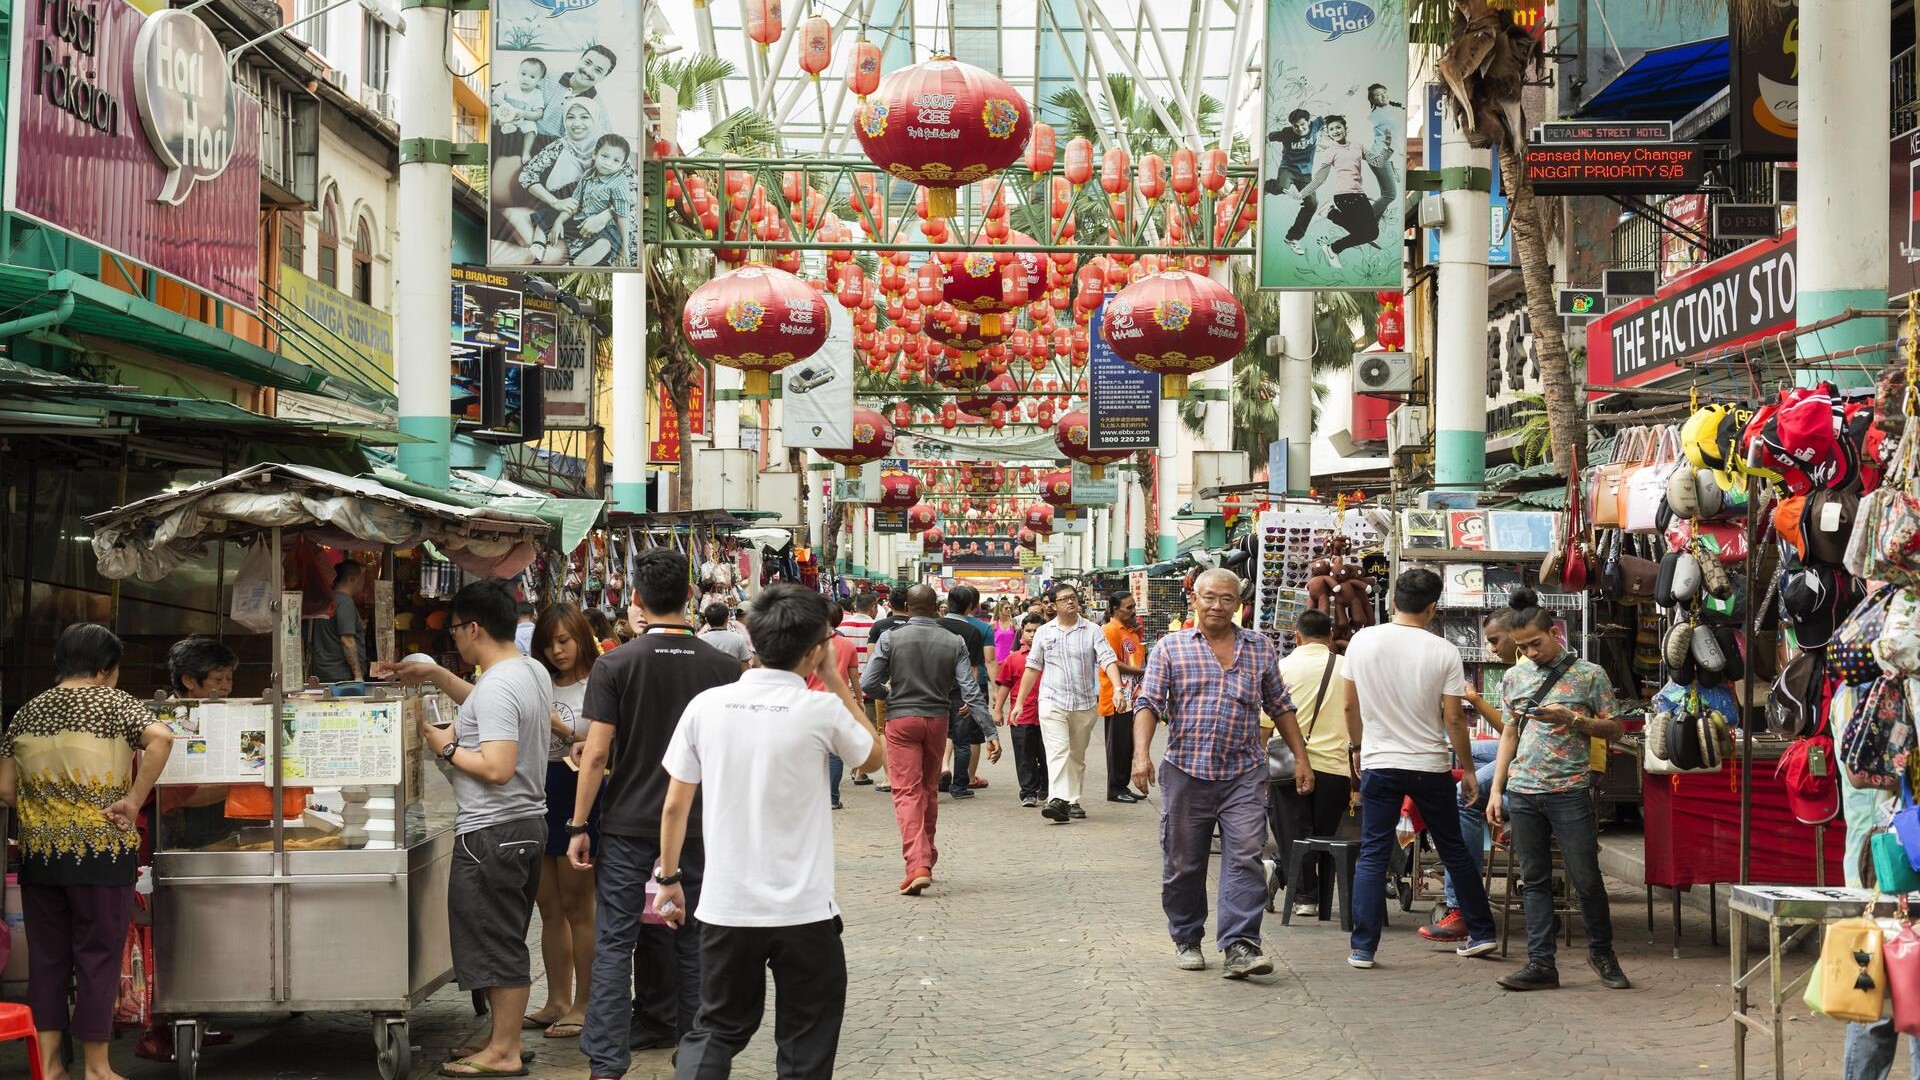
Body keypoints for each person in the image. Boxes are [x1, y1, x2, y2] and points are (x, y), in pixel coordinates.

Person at [656, 585, 886, 1078]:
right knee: (807, 1038)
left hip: (726, 905)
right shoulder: (820, 711)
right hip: (804, 910)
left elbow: (676, 803)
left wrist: (669, 878)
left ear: (754, 640)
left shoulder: (707, 706)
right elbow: (873, 756)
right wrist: (837, 681)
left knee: (716, 1027)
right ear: (815, 648)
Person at [566, 548, 743, 1076]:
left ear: (637, 600)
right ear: (691, 597)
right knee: (694, 941)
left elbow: (595, 753)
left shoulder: (615, 663)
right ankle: (695, 1057)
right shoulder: (724, 667)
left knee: (615, 940)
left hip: (626, 825)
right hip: (698, 825)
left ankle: (605, 1062)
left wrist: (578, 824)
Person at [382, 581, 552, 1077]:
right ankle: (505, 1041)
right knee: (506, 937)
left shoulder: (500, 684)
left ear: (474, 627)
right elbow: (481, 702)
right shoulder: (528, 671)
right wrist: (436, 674)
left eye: (456, 629)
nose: (454, 637)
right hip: (523, 826)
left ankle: (503, 1053)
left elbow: (497, 766)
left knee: (496, 941)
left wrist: (446, 748)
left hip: (492, 831)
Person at [0, 624, 175, 1080]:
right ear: (105, 669)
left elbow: (3, 787)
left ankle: (50, 1064)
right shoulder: (114, 702)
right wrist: (133, 800)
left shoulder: (25, 713)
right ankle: (97, 1068)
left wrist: (48, 810)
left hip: (41, 855)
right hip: (100, 853)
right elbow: (163, 739)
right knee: (97, 956)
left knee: (49, 959)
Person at [1131, 569, 1307, 979]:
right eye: (1209, 597)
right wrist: (1141, 755)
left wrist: (1301, 757)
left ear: (1239, 604)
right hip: (1186, 772)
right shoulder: (1171, 648)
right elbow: (1149, 703)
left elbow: (1280, 705)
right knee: (1184, 863)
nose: (1217, 605)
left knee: (1246, 855)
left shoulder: (1259, 648)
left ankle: (1240, 945)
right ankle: (1187, 936)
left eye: (1227, 599)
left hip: (1244, 772)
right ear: (1194, 599)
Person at [1341, 568, 1499, 969]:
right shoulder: (1442, 650)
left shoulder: (1362, 641)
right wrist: (1465, 768)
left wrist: (1358, 747)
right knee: (1454, 851)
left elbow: (1349, 705)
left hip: (1379, 761)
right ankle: (1481, 932)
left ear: (1393, 600)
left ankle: (1363, 948)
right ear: (1432, 608)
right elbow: (1454, 720)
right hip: (1430, 765)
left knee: (1374, 854)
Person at [1485, 590, 1630, 991]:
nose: (1531, 652)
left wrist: (1575, 721)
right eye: (1522, 647)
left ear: (1555, 633)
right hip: (1525, 790)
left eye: (1536, 643)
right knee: (1533, 879)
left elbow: (1615, 728)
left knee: (1586, 878)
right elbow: (1510, 734)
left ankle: (1603, 953)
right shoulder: (1514, 677)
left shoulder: (1588, 674)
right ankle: (1540, 962)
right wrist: (1498, 789)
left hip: (1570, 790)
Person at [860, 585, 993, 896]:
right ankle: (928, 854)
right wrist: (989, 730)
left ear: (906, 605)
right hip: (937, 720)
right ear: (938, 608)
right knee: (928, 789)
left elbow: (868, 682)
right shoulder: (953, 640)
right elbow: (970, 689)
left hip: (901, 720)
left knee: (906, 792)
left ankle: (917, 863)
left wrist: (890, 695)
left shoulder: (889, 637)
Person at [527, 603, 601, 1039]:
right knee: (548, 906)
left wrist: (564, 731)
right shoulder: (538, 684)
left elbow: (608, 740)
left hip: (580, 794)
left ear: (580, 638)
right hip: (540, 791)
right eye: (549, 643)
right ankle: (557, 998)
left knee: (578, 906)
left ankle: (586, 1003)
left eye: (564, 640)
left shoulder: (598, 684)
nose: (557, 651)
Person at [1422, 607, 1517, 943]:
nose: (1491, 648)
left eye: (1494, 640)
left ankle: (1459, 905)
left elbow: (1511, 734)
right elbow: (1509, 733)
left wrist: (1475, 699)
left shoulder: (1522, 673)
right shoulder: (1518, 671)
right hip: (1519, 750)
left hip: (1530, 761)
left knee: (1463, 798)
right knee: (1466, 754)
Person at [1012, 583, 1126, 823]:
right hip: (1052, 700)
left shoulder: (1093, 630)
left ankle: (1071, 801)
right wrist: (1020, 702)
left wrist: (1118, 689)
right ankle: (1058, 799)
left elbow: (1107, 660)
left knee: (1076, 754)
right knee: (1058, 750)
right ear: (1053, 605)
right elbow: (1033, 668)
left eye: (1073, 597)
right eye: (1064, 599)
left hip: (1084, 703)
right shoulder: (1044, 632)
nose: (1071, 602)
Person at [1271, 610, 1352, 918]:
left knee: (1294, 833)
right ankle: (1311, 892)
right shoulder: (1347, 668)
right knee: (1324, 834)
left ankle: (1305, 895)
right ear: (1331, 636)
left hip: (1288, 765)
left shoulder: (1282, 668)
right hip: (1335, 766)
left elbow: (1266, 723)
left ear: (1297, 636)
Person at [1295, 115, 1389, 271]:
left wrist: (1387, 147)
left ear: (1345, 128)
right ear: (1329, 133)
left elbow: (1377, 162)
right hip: (1343, 197)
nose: (1336, 131)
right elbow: (1319, 179)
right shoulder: (1331, 151)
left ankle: (1330, 213)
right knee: (1370, 233)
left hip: (1359, 195)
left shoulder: (1358, 146)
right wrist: (1301, 194)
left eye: (1338, 127)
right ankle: (1333, 248)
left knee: (1368, 233)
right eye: (1331, 129)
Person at [941, 585, 993, 797]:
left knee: (940, 736)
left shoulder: (937, 625)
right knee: (963, 740)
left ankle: (939, 772)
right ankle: (959, 786)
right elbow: (971, 668)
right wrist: (970, 699)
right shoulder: (973, 631)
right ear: (971, 606)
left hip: (937, 690)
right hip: (961, 693)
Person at [811, 602, 862, 810]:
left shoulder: (809, 645)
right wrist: (858, 699)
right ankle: (832, 797)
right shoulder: (847, 645)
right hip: (837, 704)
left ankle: (813, 797)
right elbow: (853, 677)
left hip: (810, 702)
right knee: (834, 754)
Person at [1099, 591, 1148, 804]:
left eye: (1133, 606)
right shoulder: (1109, 630)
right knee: (1118, 744)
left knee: (1128, 743)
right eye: (1128, 607)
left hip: (1133, 696)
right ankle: (1115, 788)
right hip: (1117, 695)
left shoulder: (1130, 631)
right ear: (1115, 609)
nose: (1133, 611)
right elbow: (1110, 661)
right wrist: (1141, 673)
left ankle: (1122, 785)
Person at [995, 616, 1047, 806]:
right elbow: (1004, 686)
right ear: (1022, 632)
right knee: (1024, 757)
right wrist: (998, 709)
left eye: (1037, 631)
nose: (1033, 635)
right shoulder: (1014, 658)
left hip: (1048, 716)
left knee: (1047, 755)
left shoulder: (1051, 657)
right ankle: (1028, 792)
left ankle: (1046, 785)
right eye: (1029, 631)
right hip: (1021, 716)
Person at [1264, 108, 1324, 254]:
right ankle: (1267, 186)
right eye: (1295, 126)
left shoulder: (1316, 125)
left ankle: (1292, 237)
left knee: (1312, 203)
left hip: (1305, 174)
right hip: (1288, 169)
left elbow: (1333, 113)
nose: (1299, 129)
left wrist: (1348, 94)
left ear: (1309, 122)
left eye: (1302, 125)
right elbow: (1267, 137)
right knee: (1280, 188)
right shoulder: (1286, 133)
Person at [840, 592, 883, 789]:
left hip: (842, 688)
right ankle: (861, 771)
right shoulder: (876, 629)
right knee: (869, 728)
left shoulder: (840, 628)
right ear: (874, 607)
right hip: (867, 687)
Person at [310, 558, 365, 682]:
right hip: (341, 675)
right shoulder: (345, 602)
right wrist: (358, 675)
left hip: (322, 671)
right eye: (362, 579)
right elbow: (347, 640)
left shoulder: (326, 599)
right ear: (352, 579)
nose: (363, 583)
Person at [1366, 83, 1405, 223]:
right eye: (1378, 95)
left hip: (1384, 156)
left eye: (1384, 92)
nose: (1382, 96)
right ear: (1372, 99)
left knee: (1386, 194)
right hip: (1379, 156)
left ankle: (1371, 226)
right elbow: (1395, 122)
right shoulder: (1376, 115)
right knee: (1390, 195)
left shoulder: (1390, 111)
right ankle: (1362, 222)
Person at [698, 602, 753, 668]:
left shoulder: (700, 641)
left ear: (706, 620)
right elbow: (744, 668)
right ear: (727, 618)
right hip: (733, 677)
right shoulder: (739, 639)